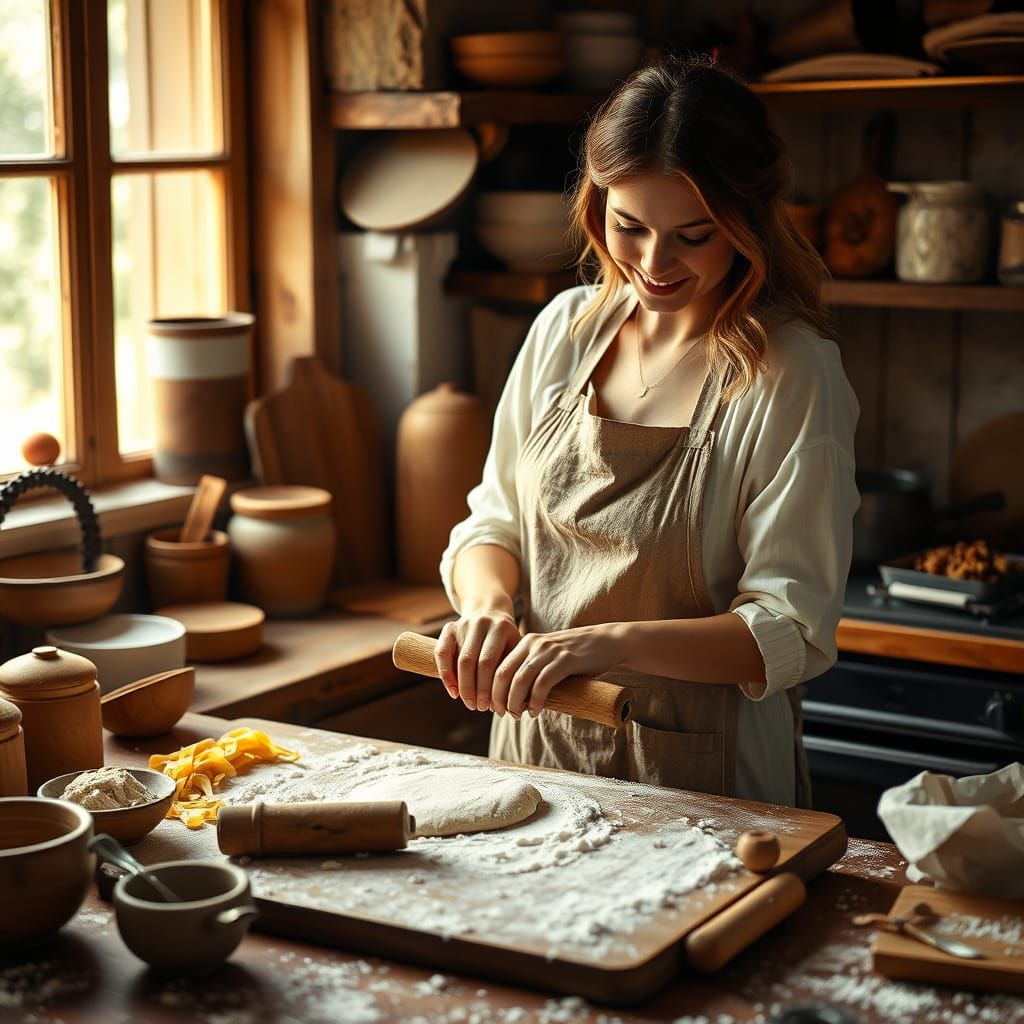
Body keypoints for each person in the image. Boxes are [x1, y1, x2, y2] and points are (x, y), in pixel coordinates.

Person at [436, 55, 860, 807]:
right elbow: (493, 524)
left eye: (693, 235)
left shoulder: (790, 372)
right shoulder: (564, 333)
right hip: (535, 755)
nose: (654, 264)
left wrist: (612, 643)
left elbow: (788, 626)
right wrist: (487, 610)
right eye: (628, 226)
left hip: (705, 781)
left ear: (746, 224)